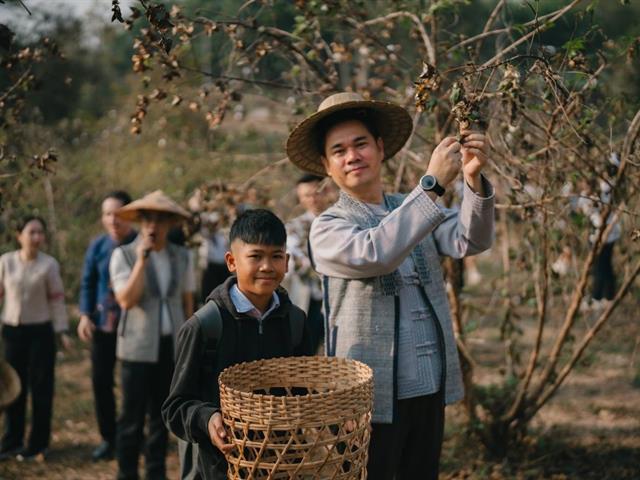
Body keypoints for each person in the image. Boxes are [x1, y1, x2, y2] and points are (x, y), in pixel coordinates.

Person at [286, 92, 495, 479]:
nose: (353, 156)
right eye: (339, 150)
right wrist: (431, 186)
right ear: (326, 166)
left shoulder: (412, 207)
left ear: (380, 148)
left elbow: (470, 240)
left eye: (361, 143)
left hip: (428, 383)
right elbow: (377, 253)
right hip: (367, 394)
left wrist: (472, 178)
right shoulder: (328, 227)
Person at [162, 209, 314, 480]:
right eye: (255, 256)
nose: (267, 266)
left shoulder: (295, 322)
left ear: (287, 262)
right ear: (232, 261)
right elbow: (175, 407)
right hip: (220, 467)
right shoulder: (205, 325)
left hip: (281, 466)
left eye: (276, 256)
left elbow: (305, 394)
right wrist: (206, 418)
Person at [109, 190, 195, 480]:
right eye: (147, 219)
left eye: (160, 220)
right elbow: (126, 300)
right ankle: (127, 473)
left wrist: (187, 344)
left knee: (162, 417)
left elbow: (187, 301)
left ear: (170, 224)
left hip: (170, 347)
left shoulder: (182, 256)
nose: (152, 226)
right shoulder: (122, 256)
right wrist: (142, 261)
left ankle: (156, 473)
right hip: (136, 347)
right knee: (131, 418)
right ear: (140, 223)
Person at [0, 216, 71, 461]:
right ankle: (11, 441)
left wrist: (62, 332)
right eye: (32, 232)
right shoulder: (6, 262)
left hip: (40, 332)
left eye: (40, 232)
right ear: (19, 235)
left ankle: (38, 444)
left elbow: (57, 300)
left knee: (41, 389)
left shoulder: (49, 265)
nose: (37, 237)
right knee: (12, 389)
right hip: (12, 331)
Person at [77, 191, 137, 461]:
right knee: (101, 382)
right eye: (107, 214)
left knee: (134, 385)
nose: (113, 219)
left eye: (118, 213)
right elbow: (88, 282)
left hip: (134, 326)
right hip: (103, 325)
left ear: (130, 215)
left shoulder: (141, 244)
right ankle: (108, 438)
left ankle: (134, 437)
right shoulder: (98, 246)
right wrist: (85, 314)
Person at [283, 174, 330, 351]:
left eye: (315, 193)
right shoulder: (294, 226)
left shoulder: (339, 221)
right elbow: (292, 262)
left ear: (326, 191)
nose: (312, 199)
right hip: (307, 296)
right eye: (306, 196)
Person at [197, 212, 230, 304]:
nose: (214, 226)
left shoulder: (222, 236)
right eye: (212, 224)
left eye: (215, 224)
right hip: (210, 269)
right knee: (209, 294)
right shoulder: (205, 236)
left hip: (222, 268)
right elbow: (201, 225)